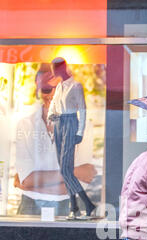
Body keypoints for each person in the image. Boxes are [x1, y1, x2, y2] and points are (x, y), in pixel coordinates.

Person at [15, 68, 96, 216]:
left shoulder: (84, 125)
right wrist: (73, 173)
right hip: (30, 205)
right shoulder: (25, 125)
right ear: (38, 88)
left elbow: (87, 175)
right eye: (46, 89)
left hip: (67, 205)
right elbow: (25, 179)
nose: (53, 94)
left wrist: (32, 184)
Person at [48, 57, 96, 219]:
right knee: (64, 168)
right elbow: (52, 108)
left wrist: (80, 132)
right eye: (52, 68)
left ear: (63, 67)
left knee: (65, 169)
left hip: (70, 124)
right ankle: (74, 207)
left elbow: (82, 110)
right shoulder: (59, 86)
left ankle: (87, 203)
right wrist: (53, 118)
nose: (53, 71)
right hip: (59, 125)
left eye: (55, 68)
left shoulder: (75, 86)